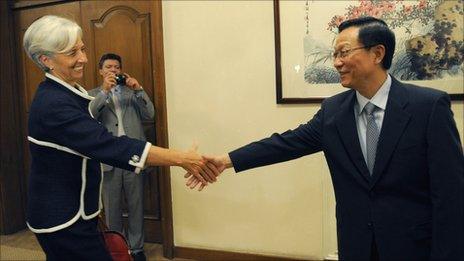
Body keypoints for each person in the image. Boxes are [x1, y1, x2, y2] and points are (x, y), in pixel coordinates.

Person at [187, 17, 464, 260]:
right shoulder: (334, 112)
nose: (336, 62)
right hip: (356, 244)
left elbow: (451, 195)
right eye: (334, 54)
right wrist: (226, 161)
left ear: (377, 53)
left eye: (344, 52)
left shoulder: (427, 107)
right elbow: (285, 143)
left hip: (413, 246)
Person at [23, 15, 217, 261]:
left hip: (79, 209)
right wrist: (182, 158)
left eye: (82, 49)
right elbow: (108, 144)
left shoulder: (67, 91)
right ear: (45, 60)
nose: (83, 58)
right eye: (72, 53)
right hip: (61, 216)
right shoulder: (54, 104)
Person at [88, 53, 154, 261]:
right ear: (100, 71)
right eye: (108, 67)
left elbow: (150, 115)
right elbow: (89, 115)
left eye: (116, 67)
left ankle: (136, 248)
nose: (113, 70)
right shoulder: (92, 94)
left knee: (136, 205)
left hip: (133, 156)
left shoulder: (131, 93)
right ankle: (118, 249)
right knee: (112, 206)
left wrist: (138, 88)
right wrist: (105, 92)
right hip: (108, 158)